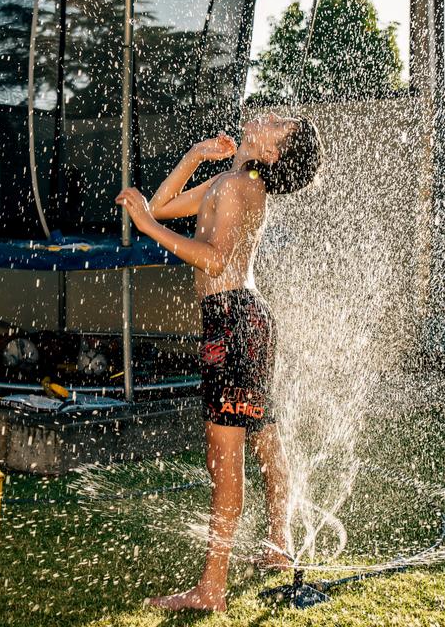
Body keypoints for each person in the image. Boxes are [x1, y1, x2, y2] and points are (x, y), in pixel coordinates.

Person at [115, 112, 321, 612]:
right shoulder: (231, 179)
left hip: (233, 322)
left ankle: (212, 588)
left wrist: (143, 225)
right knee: (263, 436)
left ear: (271, 153)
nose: (269, 115)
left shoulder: (244, 185)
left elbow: (216, 259)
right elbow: (161, 206)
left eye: (279, 125)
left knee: (225, 457)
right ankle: (278, 542)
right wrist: (191, 159)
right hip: (238, 321)